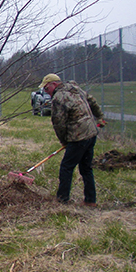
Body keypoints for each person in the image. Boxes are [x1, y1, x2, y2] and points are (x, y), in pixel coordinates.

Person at [39, 73, 105, 206]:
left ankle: (62, 199)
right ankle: (90, 200)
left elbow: (58, 122)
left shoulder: (59, 97)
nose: (47, 92)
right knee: (86, 168)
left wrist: (64, 141)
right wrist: (99, 117)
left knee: (66, 167)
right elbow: (92, 101)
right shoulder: (75, 88)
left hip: (78, 137)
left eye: (47, 88)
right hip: (91, 133)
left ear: (54, 84)